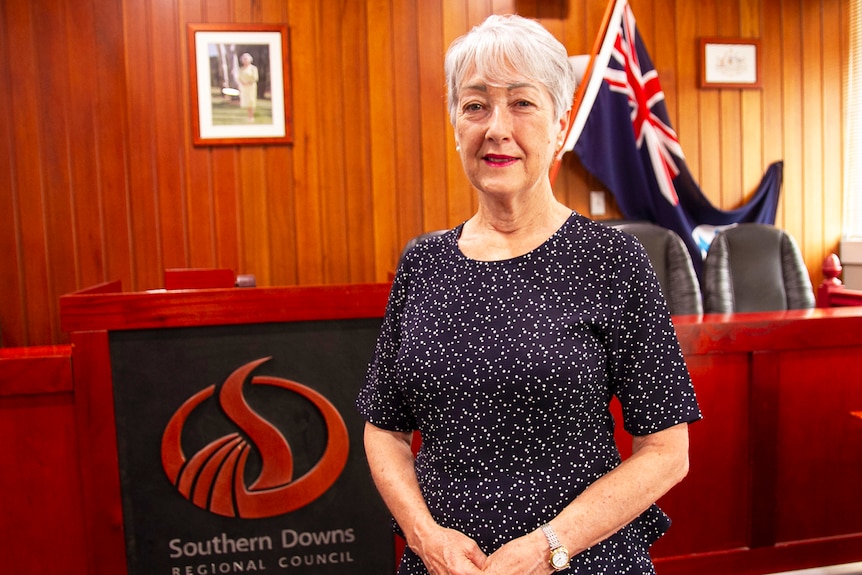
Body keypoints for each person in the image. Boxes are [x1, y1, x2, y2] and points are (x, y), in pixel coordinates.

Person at [356, 14, 701, 575]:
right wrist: (426, 538)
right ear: (455, 124)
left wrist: (547, 548)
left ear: (560, 123)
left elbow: (666, 453)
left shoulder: (612, 261)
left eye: (521, 103)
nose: (496, 127)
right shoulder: (422, 264)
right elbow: (384, 428)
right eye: (475, 105)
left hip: (581, 562)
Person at [237, 52, 259, 122]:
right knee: (246, 102)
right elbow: (239, 78)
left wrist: (248, 82)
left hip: (251, 87)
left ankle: (251, 116)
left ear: (249, 60)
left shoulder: (253, 68)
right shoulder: (241, 69)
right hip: (244, 88)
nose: (245, 61)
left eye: (246, 59)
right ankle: (248, 116)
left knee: (251, 101)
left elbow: (255, 78)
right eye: (244, 59)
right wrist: (242, 83)